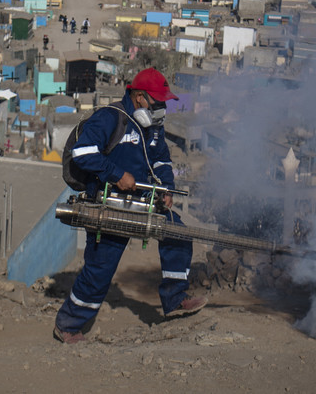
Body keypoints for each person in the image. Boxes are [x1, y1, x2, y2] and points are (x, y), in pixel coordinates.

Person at [54, 68, 206, 344]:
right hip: (108, 203)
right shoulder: (110, 119)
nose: (161, 108)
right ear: (139, 97)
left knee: (177, 232)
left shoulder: (154, 128)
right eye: (157, 102)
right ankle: (68, 324)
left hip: (143, 201)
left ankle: (175, 299)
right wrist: (116, 174)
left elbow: (161, 161)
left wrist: (166, 188)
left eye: (164, 103)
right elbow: (83, 153)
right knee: (100, 269)